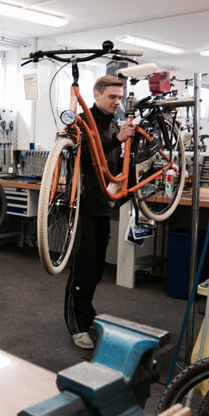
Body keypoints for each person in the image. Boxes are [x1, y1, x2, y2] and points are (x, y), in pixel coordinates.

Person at [64, 75, 136, 349]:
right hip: (82, 205)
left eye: (120, 97)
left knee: (95, 270)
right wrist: (118, 139)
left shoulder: (114, 123)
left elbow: (114, 164)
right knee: (82, 270)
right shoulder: (81, 121)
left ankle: (87, 313)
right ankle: (77, 326)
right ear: (96, 94)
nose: (117, 103)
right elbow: (85, 157)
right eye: (112, 97)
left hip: (102, 206)